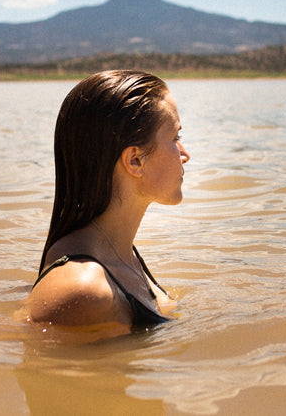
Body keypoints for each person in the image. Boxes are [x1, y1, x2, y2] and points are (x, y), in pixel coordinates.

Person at [19, 70, 189, 331]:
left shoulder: (121, 254)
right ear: (135, 160)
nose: (185, 154)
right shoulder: (85, 288)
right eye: (175, 138)